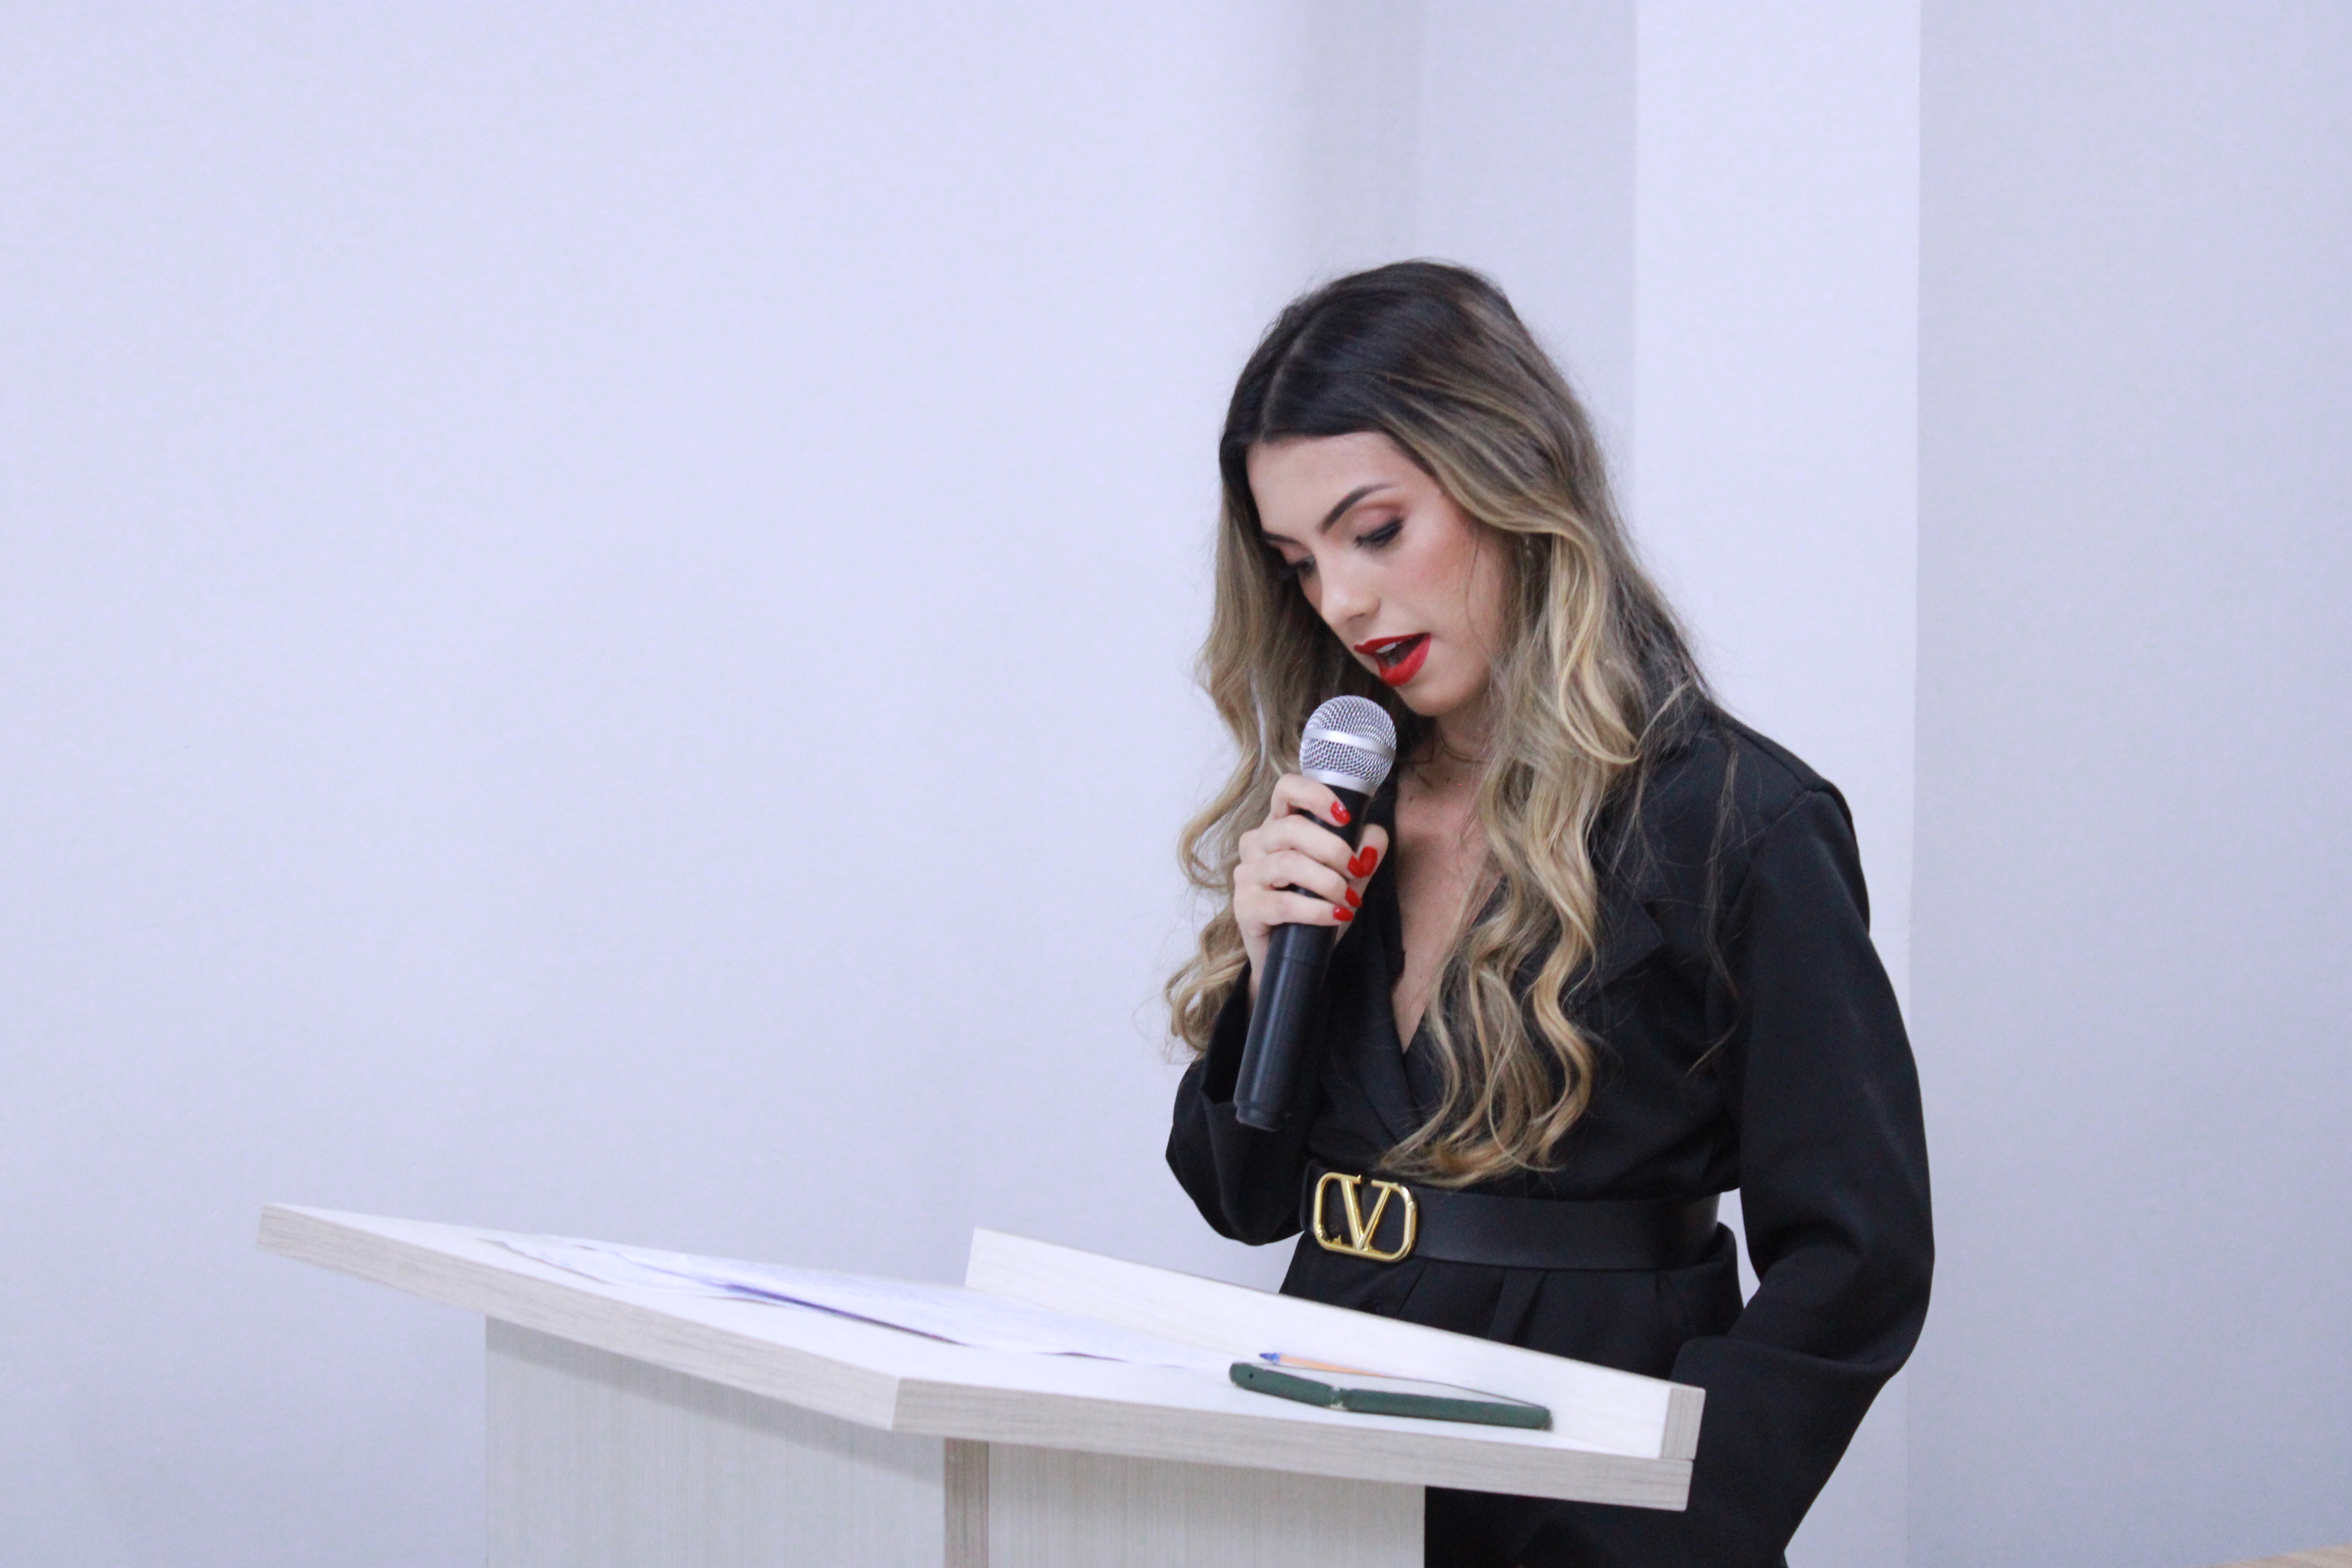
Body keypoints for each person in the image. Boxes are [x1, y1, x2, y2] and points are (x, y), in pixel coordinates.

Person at [1164, 261, 1932, 1567]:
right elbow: (1241, 1198)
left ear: (1510, 475)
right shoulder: (1345, 805)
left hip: (1585, 1463)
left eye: (1375, 530)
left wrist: (1663, 1526)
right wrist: (1269, 957)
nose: (1341, 602)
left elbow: (1857, 1260)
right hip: (1323, 1443)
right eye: (1299, 564)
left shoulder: (1738, 820)